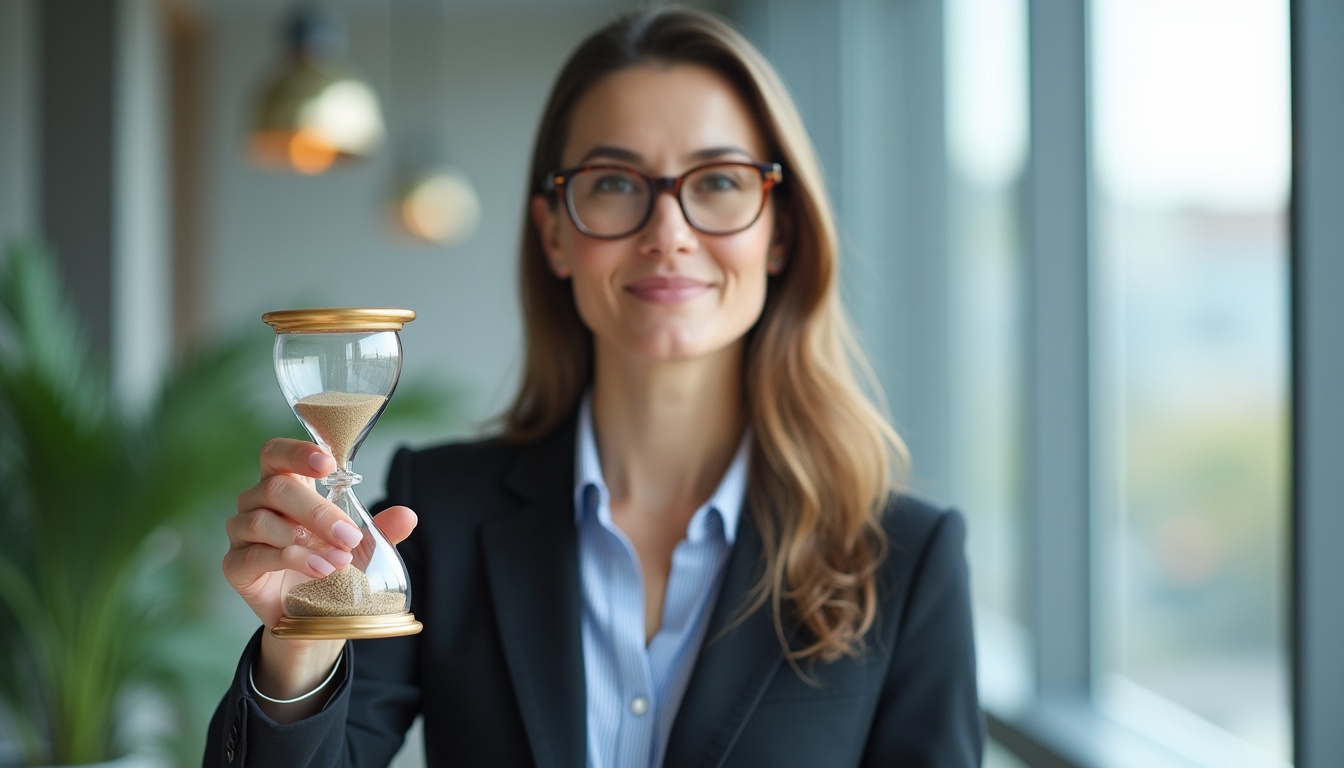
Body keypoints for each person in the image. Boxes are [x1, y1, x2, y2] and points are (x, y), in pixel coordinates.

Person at [206, 5, 983, 766]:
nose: (669, 231)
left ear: (777, 230)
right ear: (554, 232)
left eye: (718, 181)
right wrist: (296, 652)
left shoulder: (904, 558)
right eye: (614, 183)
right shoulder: (438, 512)